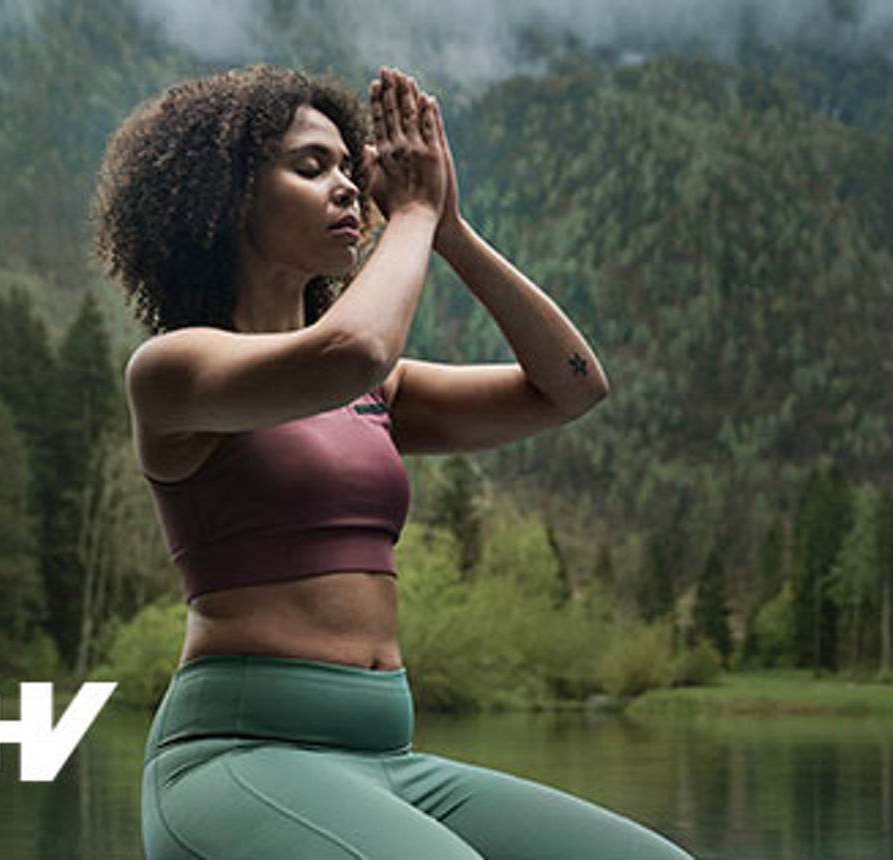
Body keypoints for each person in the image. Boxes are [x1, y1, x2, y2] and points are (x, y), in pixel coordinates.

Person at [93, 63, 692, 860]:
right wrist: (409, 213)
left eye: (349, 167)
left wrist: (450, 230)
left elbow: (571, 387)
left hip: (385, 761)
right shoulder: (175, 371)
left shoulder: (380, 390)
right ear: (226, 198)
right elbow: (354, 349)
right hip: (238, 757)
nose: (348, 188)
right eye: (311, 167)